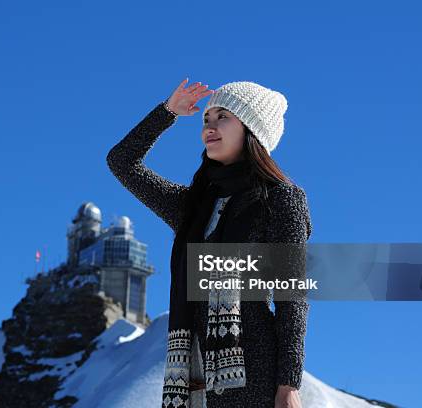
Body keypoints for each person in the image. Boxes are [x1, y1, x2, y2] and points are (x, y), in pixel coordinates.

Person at [106, 78, 312, 408]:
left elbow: (292, 298)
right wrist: (168, 112)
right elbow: (122, 162)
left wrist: (289, 384)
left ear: (252, 130)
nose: (209, 127)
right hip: (189, 375)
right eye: (206, 119)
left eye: (224, 117)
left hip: (250, 370)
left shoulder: (281, 200)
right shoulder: (193, 208)